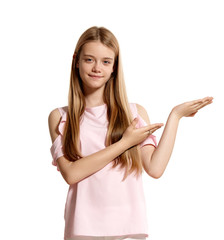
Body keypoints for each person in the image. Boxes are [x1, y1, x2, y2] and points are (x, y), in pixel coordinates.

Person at [48, 26, 213, 240]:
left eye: (106, 61)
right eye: (89, 60)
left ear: (114, 67)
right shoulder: (61, 117)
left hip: (129, 230)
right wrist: (125, 143)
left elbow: (155, 168)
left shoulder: (134, 112)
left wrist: (175, 116)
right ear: (76, 61)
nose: (97, 68)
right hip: (82, 230)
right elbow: (71, 174)